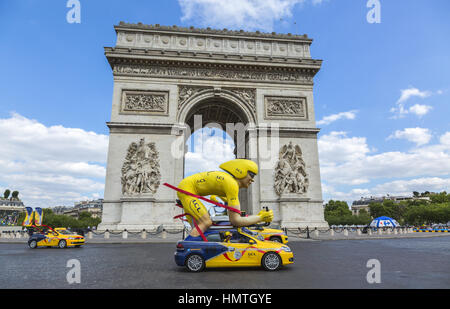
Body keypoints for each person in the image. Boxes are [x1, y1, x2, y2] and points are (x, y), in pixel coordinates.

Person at [176, 159, 273, 241]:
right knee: (206, 222)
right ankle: (189, 246)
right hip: (186, 189)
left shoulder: (229, 183)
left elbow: (232, 209)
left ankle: (197, 245)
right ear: (241, 171)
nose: (253, 180)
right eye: (251, 175)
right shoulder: (232, 184)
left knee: (198, 227)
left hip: (187, 188)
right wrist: (261, 217)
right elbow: (236, 220)